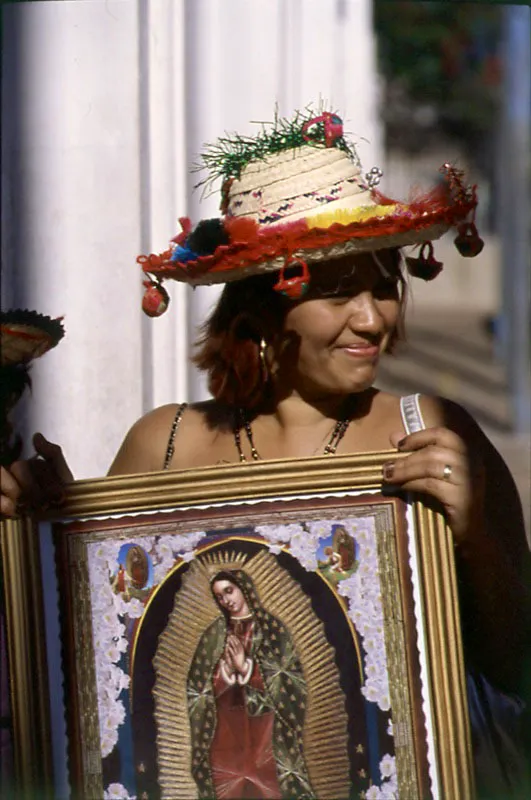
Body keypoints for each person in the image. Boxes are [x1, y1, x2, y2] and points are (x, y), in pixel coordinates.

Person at [1, 107, 529, 796]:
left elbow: (516, 660)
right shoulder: (163, 442)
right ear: (260, 310)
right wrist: (55, 536)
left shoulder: (429, 430)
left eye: (382, 287)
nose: (371, 319)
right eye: (338, 292)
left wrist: (471, 534)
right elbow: (107, 668)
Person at [187, 569, 313, 799]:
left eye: (229, 591)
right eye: (219, 596)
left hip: (264, 727)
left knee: (268, 785)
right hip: (225, 725)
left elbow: (291, 680)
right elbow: (197, 684)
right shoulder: (215, 633)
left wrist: (247, 668)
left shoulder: (270, 629)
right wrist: (224, 672)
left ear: (244, 589)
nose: (226, 600)